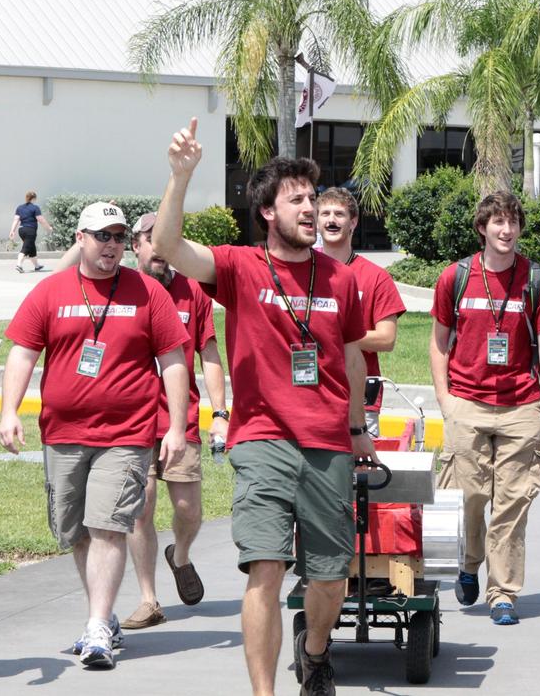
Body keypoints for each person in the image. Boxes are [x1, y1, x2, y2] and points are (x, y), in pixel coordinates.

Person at [152, 117, 374, 696]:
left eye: (312, 197)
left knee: (330, 579)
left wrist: (359, 428)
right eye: (295, 199)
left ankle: (316, 652)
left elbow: (351, 357)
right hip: (262, 439)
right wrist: (180, 176)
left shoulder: (341, 279)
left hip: (327, 441)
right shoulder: (239, 267)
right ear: (268, 213)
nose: (309, 207)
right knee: (266, 570)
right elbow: (171, 247)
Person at [0, 201, 190, 670]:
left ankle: (98, 626)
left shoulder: (147, 293)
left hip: (127, 433)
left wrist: (179, 427)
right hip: (63, 432)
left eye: (120, 236)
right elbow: (22, 354)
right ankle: (99, 616)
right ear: (80, 238)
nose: (112, 245)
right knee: (77, 531)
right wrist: (8, 412)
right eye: (103, 235)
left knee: (108, 526)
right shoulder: (51, 291)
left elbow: (174, 360)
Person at [429, 190, 540, 626]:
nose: (506, 230)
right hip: (466, 402)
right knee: (469, 495)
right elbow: (437, 343)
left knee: (511, 504)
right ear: (482, 228)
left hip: (520, 405)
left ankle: (503, 592)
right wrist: (446, 401)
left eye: (513, 222)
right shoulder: (456, 277)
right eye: (498, 222)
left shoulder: (536, 281)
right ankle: (470, 563)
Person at [120, 211, 228, 629]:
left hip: (178, 421)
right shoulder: (121, 290)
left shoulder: (192, 293)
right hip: (131, 422)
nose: (160, 248)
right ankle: (149, 599)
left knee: (188, 509)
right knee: (139, 509)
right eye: (151, 240)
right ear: (136, 246)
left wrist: (220, 413)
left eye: (167, 240)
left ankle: (179, 555)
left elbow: (210, 355)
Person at [316, 187, 406, 437]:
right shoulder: (303, 271)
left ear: (353, 222)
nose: (331, 220)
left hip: (361, 400)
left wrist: (333, 335)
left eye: (339, 214)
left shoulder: (376, 277)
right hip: (311, 394)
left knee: (360, 475)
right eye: (324, 214)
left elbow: (386, 339)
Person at [9, 190, 53, 273]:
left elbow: (16, 219)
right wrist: (48, 228)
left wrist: (12, 231)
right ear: (34, 199)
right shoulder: (35, 208)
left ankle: (37, 266)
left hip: (21, 230)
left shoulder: (20, 207)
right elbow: (41, 219)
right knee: (26, 248)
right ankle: (19, 265)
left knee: (31, 248)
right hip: (30, 230)